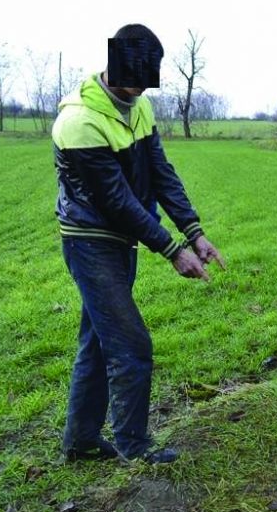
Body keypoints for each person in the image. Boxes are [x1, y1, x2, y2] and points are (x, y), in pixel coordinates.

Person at [52, 23, 225, 464]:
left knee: (98, 341)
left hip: (121, 241)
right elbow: (116, 201)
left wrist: (195, 232)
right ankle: (134, 446)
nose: (138, 86)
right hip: (91, 242)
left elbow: (161, 173)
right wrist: (171, 250)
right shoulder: (79, 121)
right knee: (131, 346)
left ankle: (81, 441)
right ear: (114, 62)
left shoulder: (139, 107)